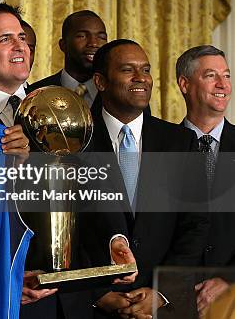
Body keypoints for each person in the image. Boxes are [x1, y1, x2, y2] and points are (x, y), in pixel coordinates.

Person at [0, 4, 135, 318]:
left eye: (22, 39)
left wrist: (114, 239)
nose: (21, 46)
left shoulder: (65, 106)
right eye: (5, 39)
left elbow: (100, 186)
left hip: (74, 303)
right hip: (1, 299)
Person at [90, 39, 209, 318]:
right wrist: (96, 295)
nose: (141, 78)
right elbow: (63, 228)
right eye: (128, 70)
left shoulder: (180, 141)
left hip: (163, 307)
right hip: (93, 306)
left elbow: (195, 225)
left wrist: (162, 292)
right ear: (101, 81)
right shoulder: (74, 141)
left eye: (145, 69)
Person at [176, 45, 234, 316]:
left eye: (227, 75)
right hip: (173, 300)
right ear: (184, 84)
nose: (223, 84)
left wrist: (229, 279)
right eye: (212, 76)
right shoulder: (160, 147)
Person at [28, 10, 107, 111]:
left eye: (101, 37)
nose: (93, 43)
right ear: (63, 45)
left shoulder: (115, 93)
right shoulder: (36, 94)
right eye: (82, 36)